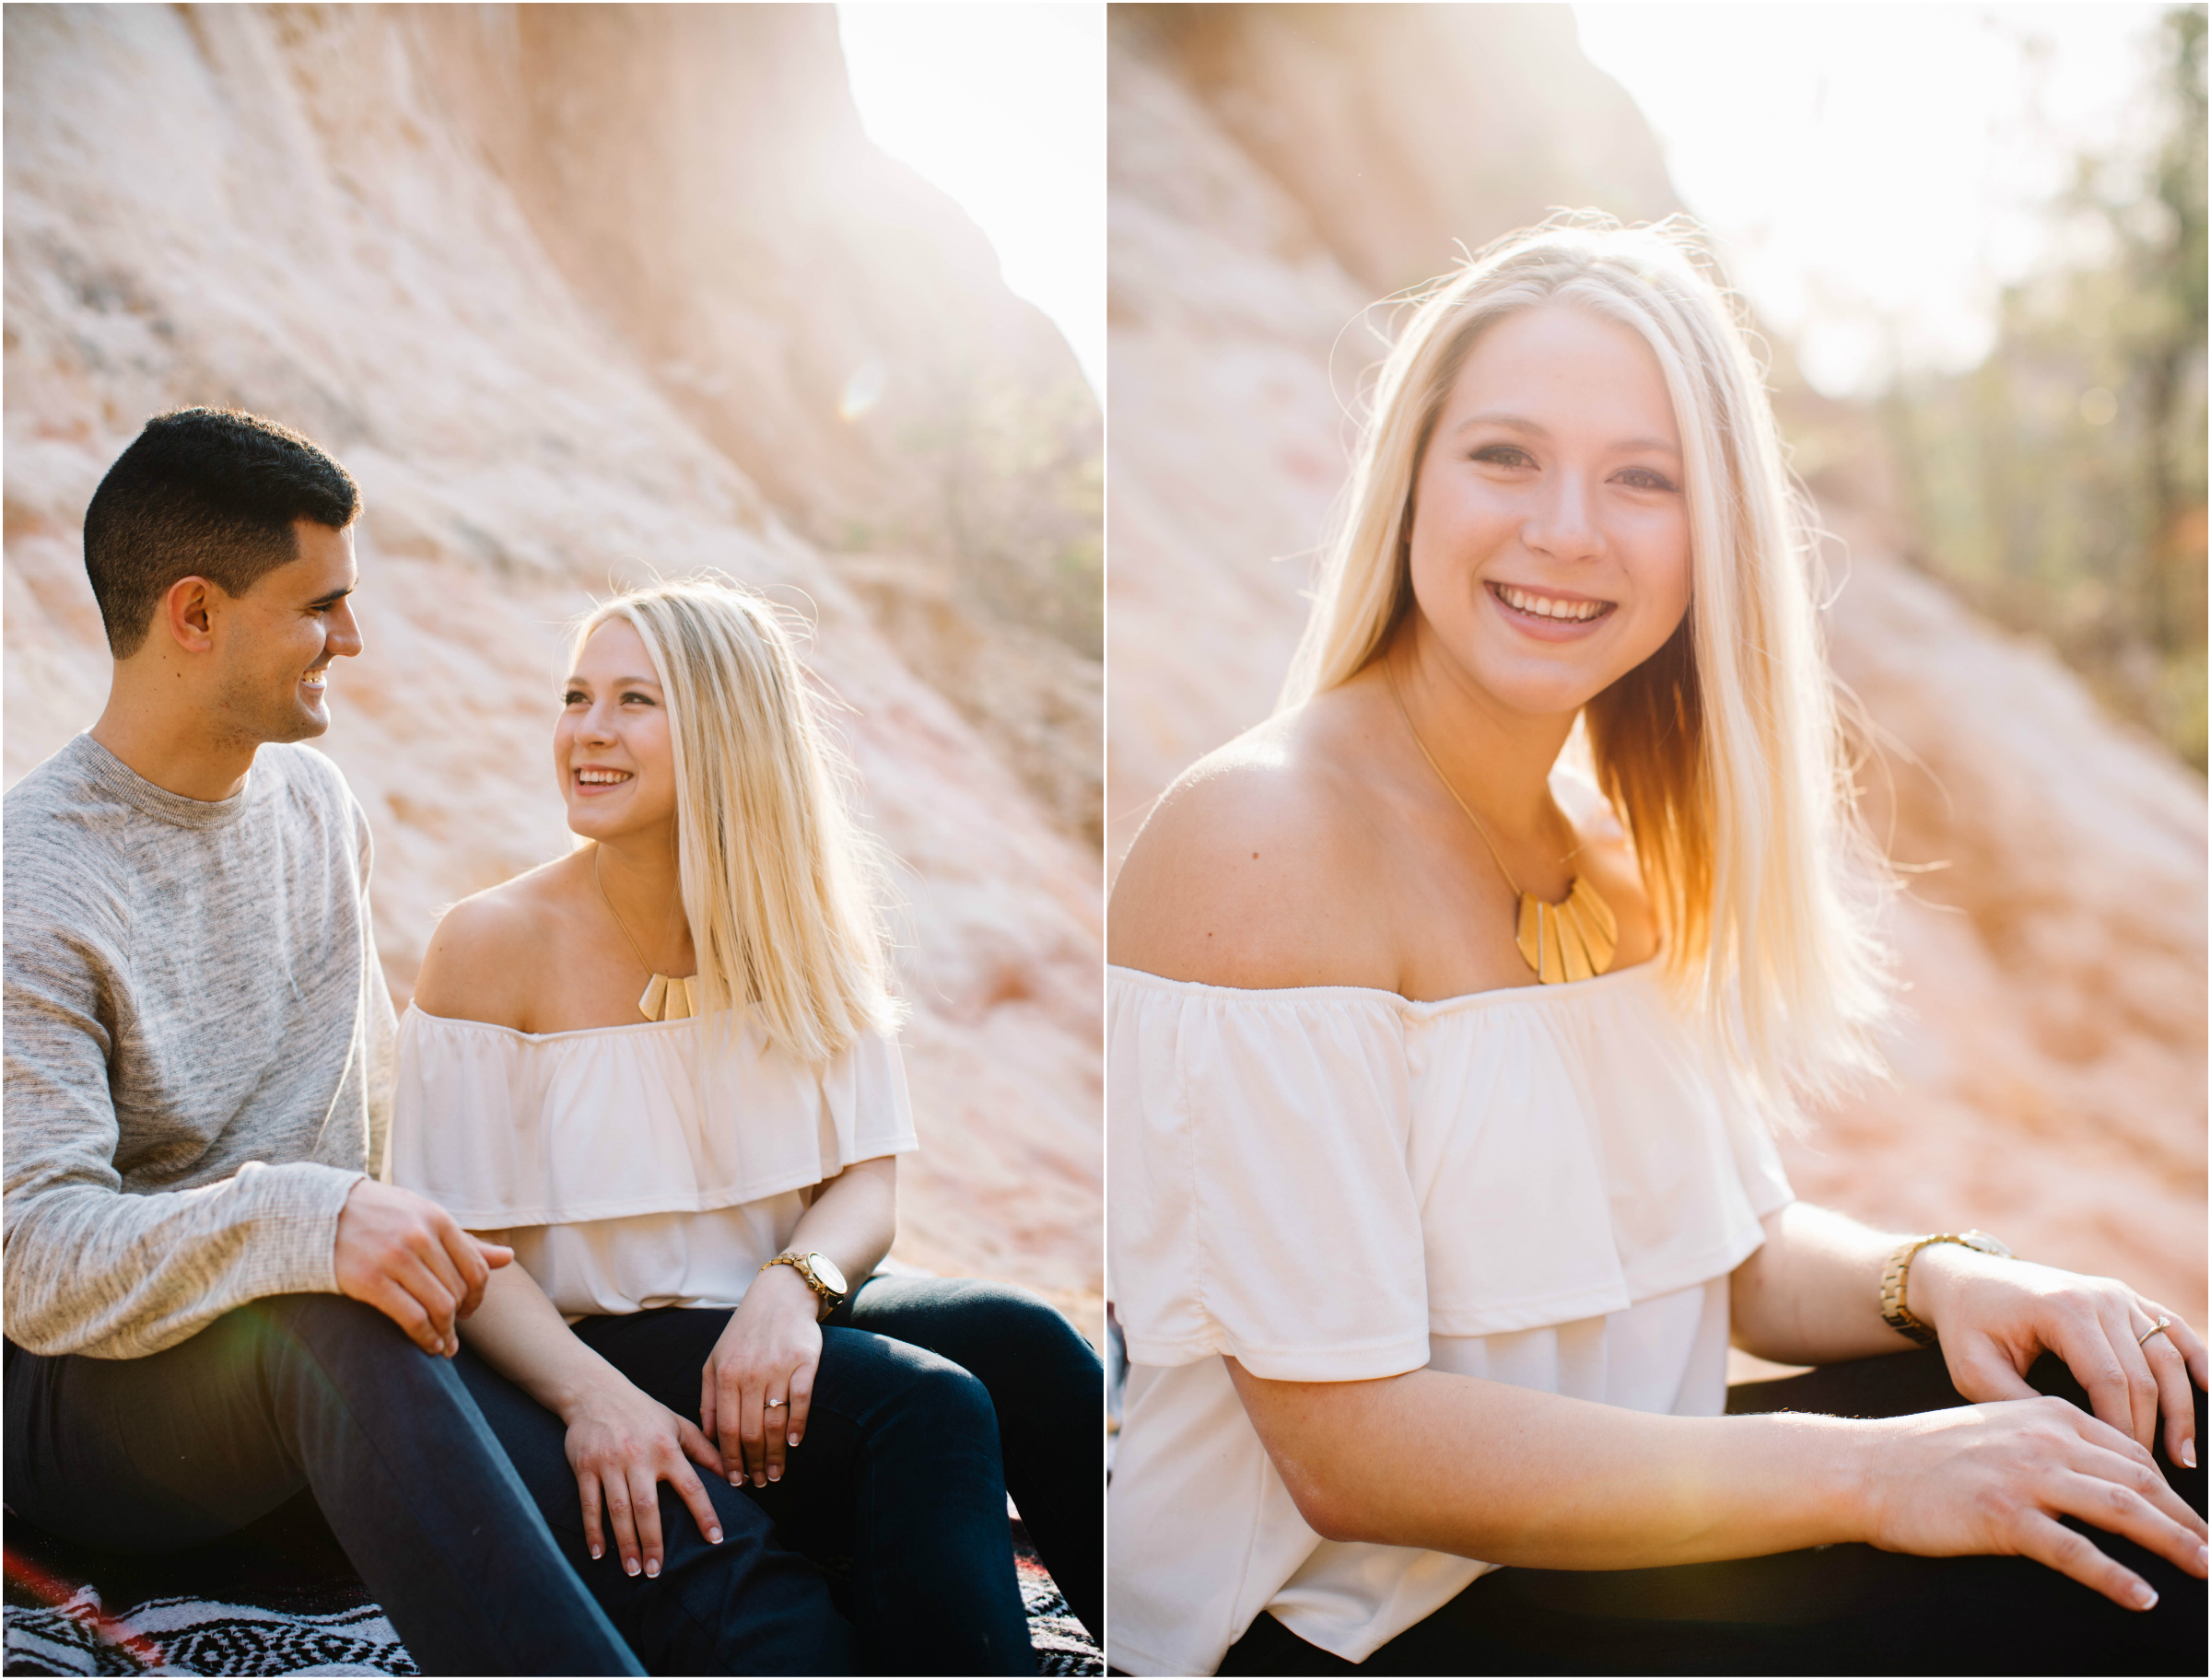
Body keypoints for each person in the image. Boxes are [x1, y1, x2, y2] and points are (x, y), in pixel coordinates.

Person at [1104, 217, 2208, 1675]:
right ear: (1412, 486)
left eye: (1643, 479)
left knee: (2131, 1415)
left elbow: (1727, 1253)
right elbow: (1350, 1452)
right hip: (1339, 1621)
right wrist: (1884, 1477)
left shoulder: (1606, 847)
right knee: (2105, 1577)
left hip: (1604, 1530)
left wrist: (1942, 1278)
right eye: (1506, 456)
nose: (1568, 528)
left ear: (1713, 535)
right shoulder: (1264, 840)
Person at [2, 407, 646, 1674]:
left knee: (662, 1459)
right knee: (326, 1323)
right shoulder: (35, 886)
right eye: (320, 606)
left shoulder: (316, 804)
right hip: (81, 1409)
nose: (351, 638)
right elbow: (33, 1259)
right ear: (194, 615)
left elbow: (371, 1137)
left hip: (314, 1379)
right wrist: (303, 1222)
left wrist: (581, 1379)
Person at [387, 577, 1102, 1675]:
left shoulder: (803, 925)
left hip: (770, 1308)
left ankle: (1201, 1652)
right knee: (928, 1409)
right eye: (578, 696)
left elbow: (869, 1181)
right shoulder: (491, 943)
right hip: (596, 1338)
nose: (588, 730)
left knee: (1034, 1344)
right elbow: (460, 1247)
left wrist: (794, 1287)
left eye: (635, 701)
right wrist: (598, 1401)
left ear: (726, 732)